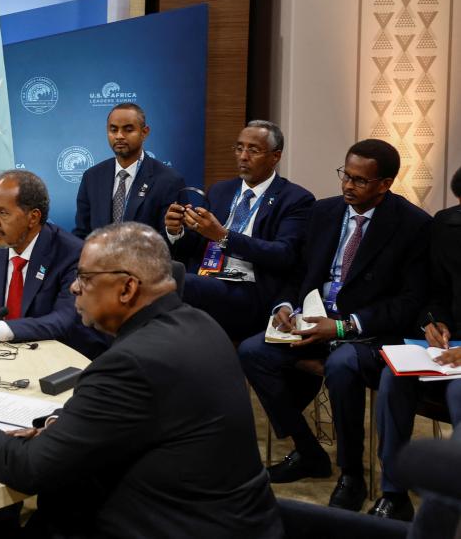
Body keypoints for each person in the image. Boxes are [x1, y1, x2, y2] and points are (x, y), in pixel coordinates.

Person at [0, 222, 281, 538]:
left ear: (127, 287)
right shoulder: (199, 323)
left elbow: (31, 470)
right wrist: (59, 426)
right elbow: (144, 420)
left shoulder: (130, 362)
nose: (74, 288)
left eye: (83, 278)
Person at [238, 139, 432, 512]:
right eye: (346, 175)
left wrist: (344, 327)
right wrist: (286, 305)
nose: (347, 186)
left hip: (365, 332)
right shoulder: (323, 212)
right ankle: (308, 450)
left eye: (359, 181)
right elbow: (297, 271)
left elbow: (409, 302)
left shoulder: (412, 226)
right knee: (251, 352)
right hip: (310, 319)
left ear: (384, 184)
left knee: (343, 366)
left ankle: (352, 473)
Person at [165, 120, 314, 340]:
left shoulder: (295, 199)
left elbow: (283, 255)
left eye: (253, 150)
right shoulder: (220, 191)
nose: (243, 156)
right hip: (206, 276)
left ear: (276, 156)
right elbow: (194, 246)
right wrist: (175, 230)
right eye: (239, 148)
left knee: (177, 282)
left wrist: (223, 237)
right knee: (156, 271)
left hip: (249, 290)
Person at [371, 164, 461, 521]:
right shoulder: (447, 226)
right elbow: (434, 292)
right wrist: (432, 322)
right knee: (393, 378)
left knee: (458, 393)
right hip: (446, 346)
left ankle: (451, 504)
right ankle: (394, 493)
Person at [0, 170, 106, 358]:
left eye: (3, 213)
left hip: (55, 360)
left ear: (33, 217)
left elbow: (63, 321)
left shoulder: (73, 254)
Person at [73, 102, 184, 239]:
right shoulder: (92, 177)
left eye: (128, 130)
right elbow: (82, 233)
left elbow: (174, 242)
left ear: (144, 132)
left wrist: (173, 232)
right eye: (113, 130)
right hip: (100, 259)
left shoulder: (169, 181)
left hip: (146, 259)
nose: (119, 136)